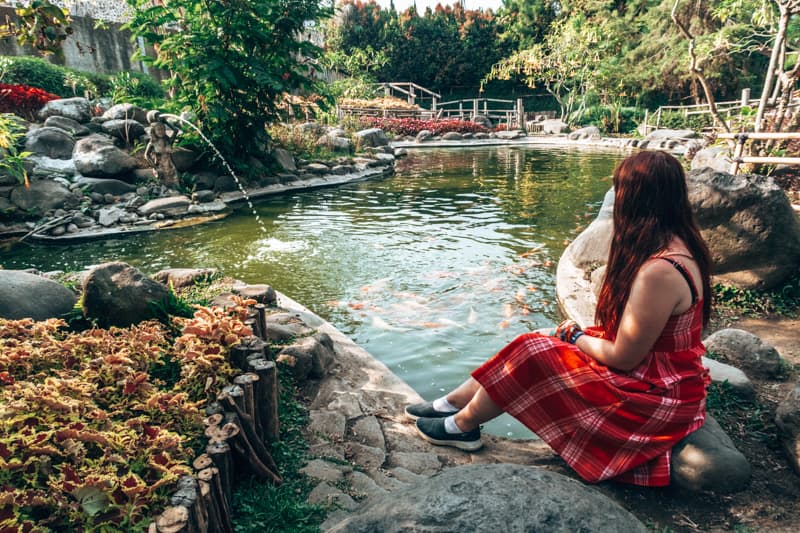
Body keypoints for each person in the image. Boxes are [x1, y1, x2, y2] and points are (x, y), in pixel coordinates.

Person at [406, 150, 713, 487]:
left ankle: (462, 427)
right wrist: (569, 335)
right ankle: (451, 404)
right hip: (659, 376)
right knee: (536, 339)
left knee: (536, 352)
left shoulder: (659, 271)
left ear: (635, 199)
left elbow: (625, 358)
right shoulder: (680, 244)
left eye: (619, 191)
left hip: (653, 397)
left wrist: (574, 337)